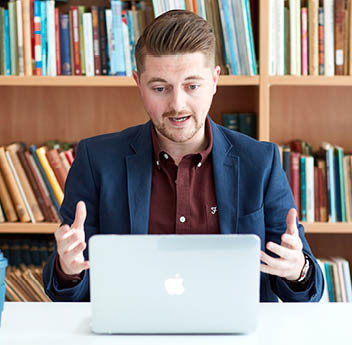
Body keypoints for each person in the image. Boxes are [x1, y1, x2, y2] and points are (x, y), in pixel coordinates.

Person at [43, 9, 324, 302]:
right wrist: (68, 269)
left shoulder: (260, 162)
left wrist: (297, 270)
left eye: (192, 86)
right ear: (138, 83)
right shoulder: (95, 159)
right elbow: (64, 292)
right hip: (131, 332)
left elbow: (307, 293)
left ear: (215, 80)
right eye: (160, 88)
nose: (177, 104)